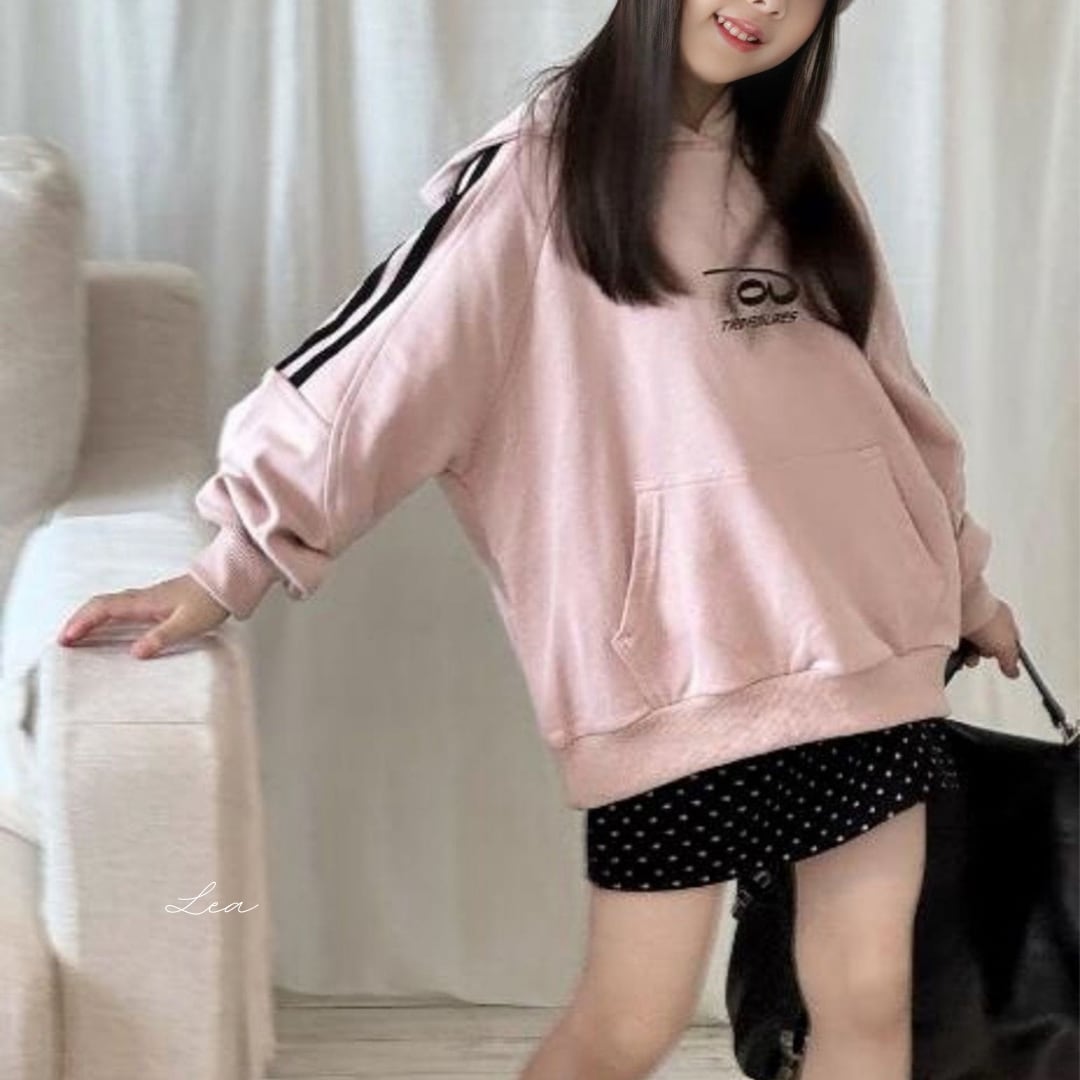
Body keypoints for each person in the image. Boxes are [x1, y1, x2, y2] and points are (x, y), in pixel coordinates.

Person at [57, 0, 1022, 1077]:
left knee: (870, 999)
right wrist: (228, 564)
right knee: (630, 1025)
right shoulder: (537, 174)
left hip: (871, 655)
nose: (761, 3)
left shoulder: (804, 172)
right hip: (679, 680)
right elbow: (376, 372)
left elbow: (894, 400)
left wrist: (968, 591)